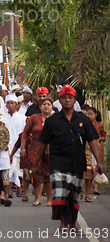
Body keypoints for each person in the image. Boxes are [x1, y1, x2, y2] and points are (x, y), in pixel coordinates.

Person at [33, 85, 103, 234]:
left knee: (74, 195)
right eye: (64, 98)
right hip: (58, 163)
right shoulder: (52, 121)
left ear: (74, 100)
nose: (67, 100)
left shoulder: (83, 119)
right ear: (60, 100)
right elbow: (42, 144)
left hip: (77, 164)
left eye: (70, 97)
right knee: (60, 193)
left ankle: (73, 224)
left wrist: (99, 161)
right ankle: (63, 224)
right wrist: (35, 164)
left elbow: (92, 141)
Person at [21, 97, 53, 206]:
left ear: (52, 107)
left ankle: (49, 199)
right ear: (40, 107)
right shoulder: (34, 118)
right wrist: (22, 148)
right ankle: (38, 198)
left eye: (49, 104)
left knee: (49, 175)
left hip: (51, 149)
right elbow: (25, 133)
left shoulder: (55, 119)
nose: (46, 106)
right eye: (44, 104)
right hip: (35, 148)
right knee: (37, 173)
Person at [3, 94, 26, 197]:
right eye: (8, 103)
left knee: (19, 169)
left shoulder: (22, 118)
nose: (11, 105)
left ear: (16, 104)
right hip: (6, 147)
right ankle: (9, 189)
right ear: (6, 105)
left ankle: (19, 187)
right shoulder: (2, 118)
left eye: (12, 103)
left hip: (18, 147)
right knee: (8, 169)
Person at [87, 106, 107, 195]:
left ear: (95, 115)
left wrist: (99, 138)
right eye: (88, 114)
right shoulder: (85, 124)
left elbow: (104, 137)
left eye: (91, 114)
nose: (89, 116)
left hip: (98, 148)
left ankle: (96, 188)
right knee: (89, 167)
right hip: (87, 148)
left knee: (97, 167)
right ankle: (89, 188)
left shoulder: (99, 125)